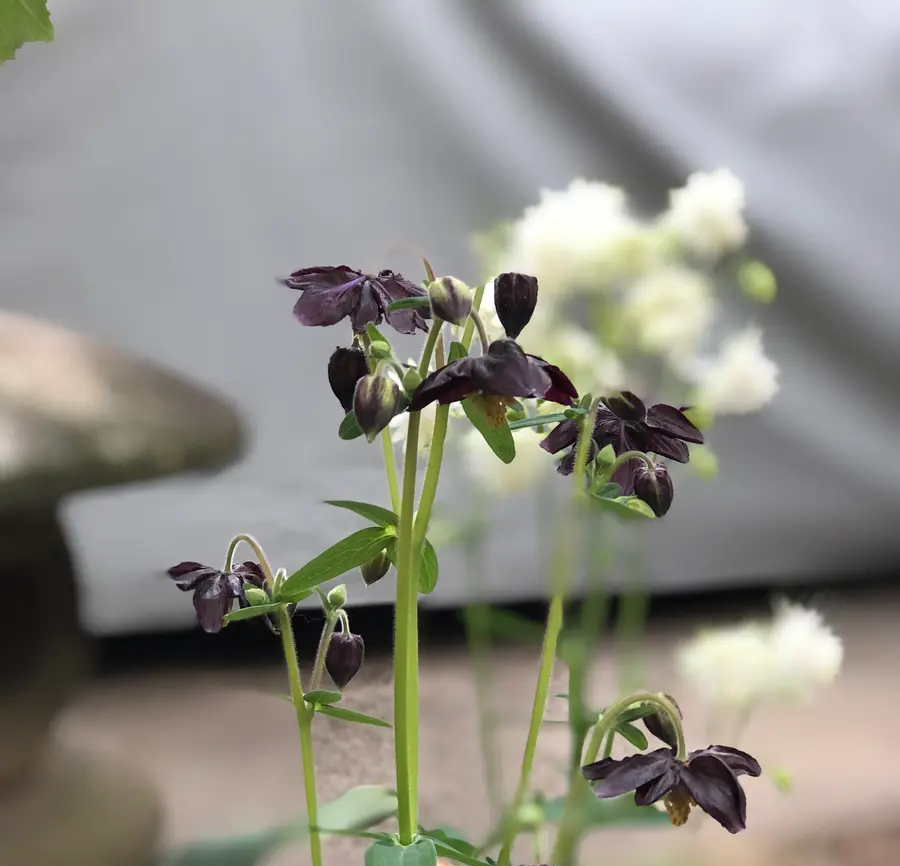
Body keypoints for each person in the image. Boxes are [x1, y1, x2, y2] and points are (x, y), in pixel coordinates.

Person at [1, 0, 896, 633]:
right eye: (492, 399)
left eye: (500, 401)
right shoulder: (426, 361)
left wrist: (529, 399)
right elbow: (459, 380)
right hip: (439, 360)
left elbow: (517, 388)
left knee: (522, 401)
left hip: (471, 362)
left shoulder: (495, 374)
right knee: (438, 405)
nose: (498, 411)